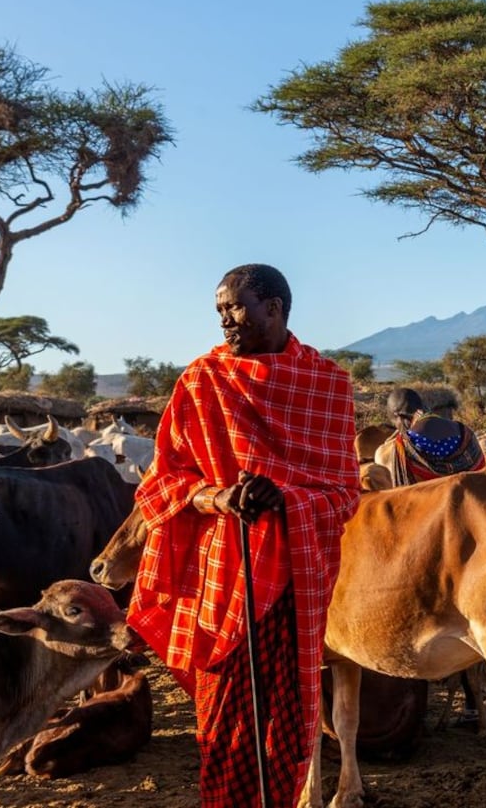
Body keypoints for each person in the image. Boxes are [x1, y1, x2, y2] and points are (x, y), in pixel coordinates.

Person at [127, 263, 359, 807]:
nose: (224, 320)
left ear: (273, 308)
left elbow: (344, 493)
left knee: (282, 723)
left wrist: (287, 498)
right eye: (219, 311)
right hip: (222, 574)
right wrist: (217, 497)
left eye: (234, 308)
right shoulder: (201, 380)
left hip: (293, 582)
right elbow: (162, 482)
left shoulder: (326, 385)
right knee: (223, 720)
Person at [382, 386, 485, 485]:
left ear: (399, 416)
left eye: (395, 423)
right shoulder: (465, 432)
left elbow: (404, 491)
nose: (397, 428)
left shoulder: (403, 446)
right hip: (475, 496)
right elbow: (483, 473)